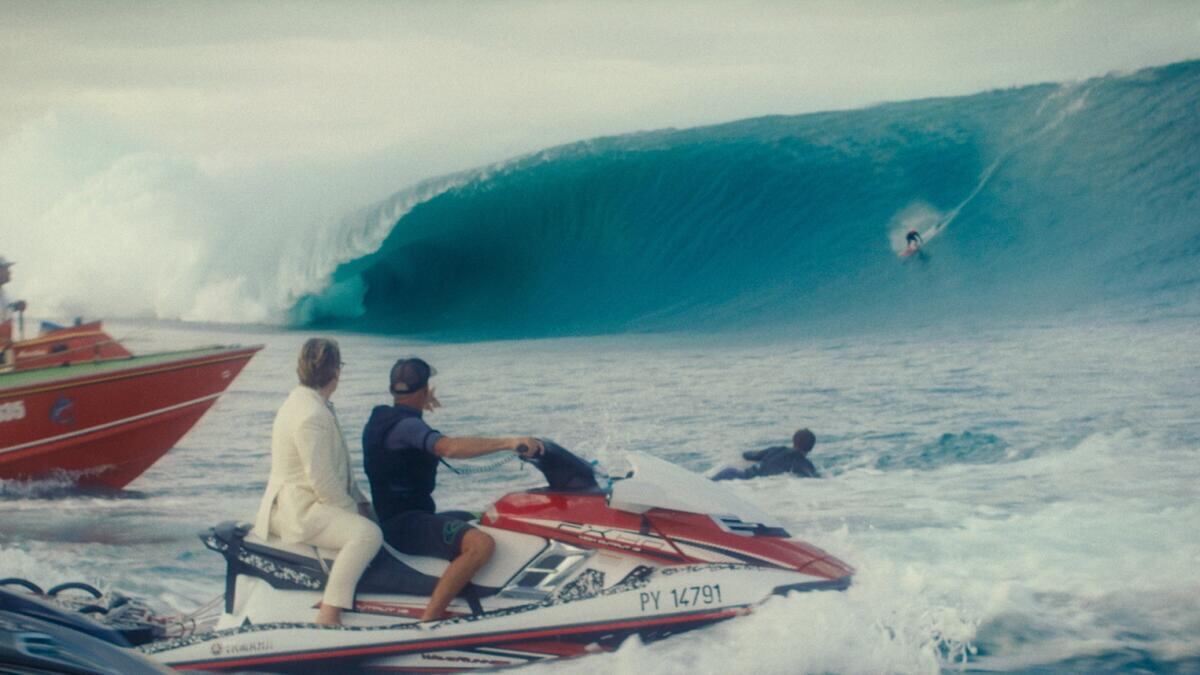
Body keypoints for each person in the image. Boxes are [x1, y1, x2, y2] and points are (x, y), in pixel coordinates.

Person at [362, 357, 544, 622]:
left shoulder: (384, 420)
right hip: (405, 525)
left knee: (489, 516)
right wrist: (508, 442)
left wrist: (419, 403)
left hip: (402, 517)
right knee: (481, 544)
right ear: (425, 389)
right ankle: (430, 621)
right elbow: (448, 447)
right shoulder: (406, 426)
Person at [253, 338, 382, 626]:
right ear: (335, 371)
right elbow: (323, 482)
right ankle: (329, 613)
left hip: (300, 499)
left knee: (370, 519)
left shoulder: (305, 402)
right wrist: (353, 514)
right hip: (299, 508)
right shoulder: (311, 414)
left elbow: (339, 469)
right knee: (367, 535)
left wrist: (362, 502)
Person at [712, 428, 820, 481]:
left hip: (744, 477)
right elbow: (812, 478)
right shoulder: (804, 463)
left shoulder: (776, 449)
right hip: (760, 485)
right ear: (811, 447)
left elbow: (748, 455)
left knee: (728, 472)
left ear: (793, 441)